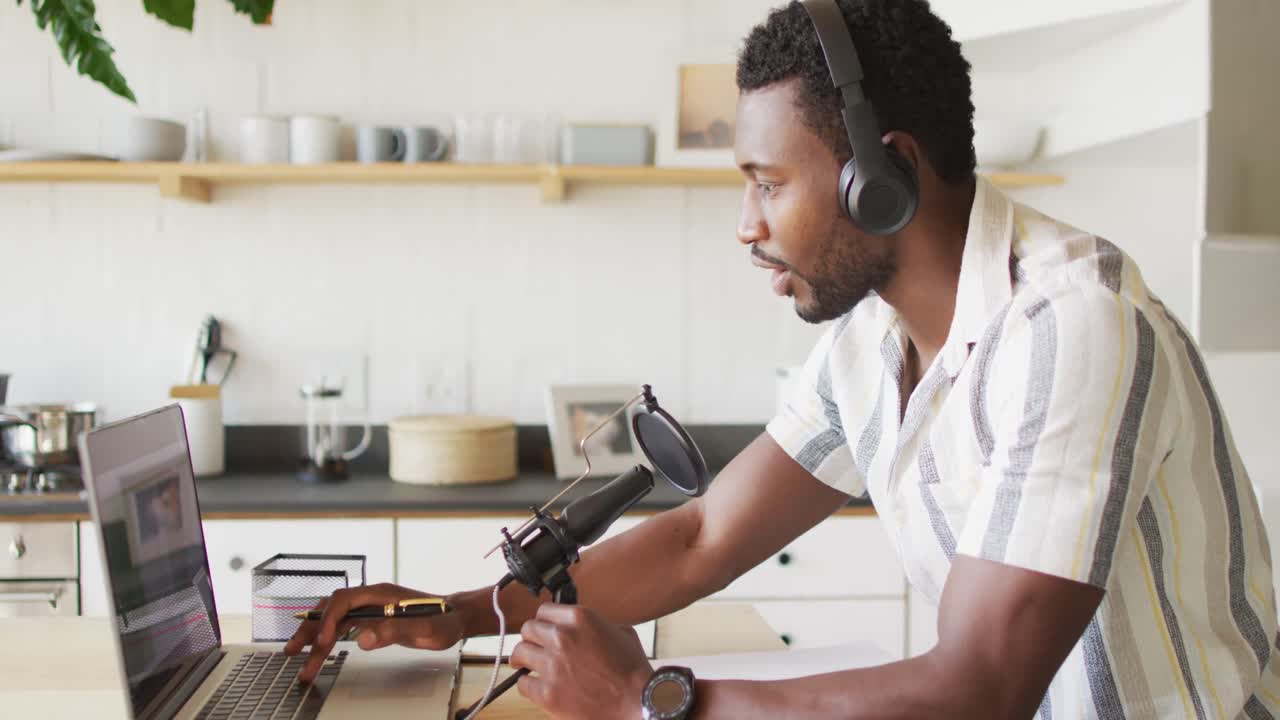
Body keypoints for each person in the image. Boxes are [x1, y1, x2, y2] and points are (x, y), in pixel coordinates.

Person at [286, 1, 1280, 717]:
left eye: (766, 183)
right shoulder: (869, 336)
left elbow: (978, 688)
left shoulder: (1070, 329)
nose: (744, 224)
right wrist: (461, 613)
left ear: (883, 172)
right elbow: (702, 536)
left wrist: (647, 702)